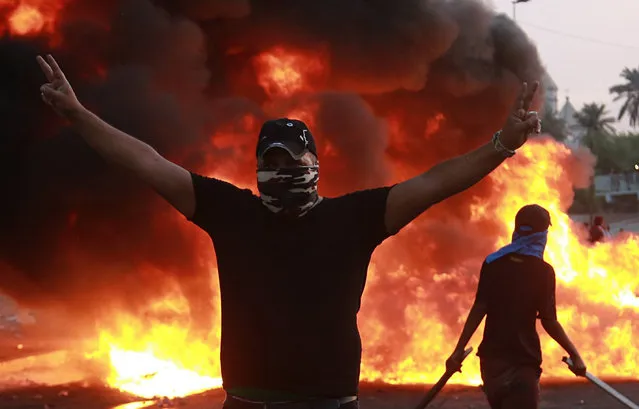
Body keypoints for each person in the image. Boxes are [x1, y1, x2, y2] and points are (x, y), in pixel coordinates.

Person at [36, 54, 541, 409]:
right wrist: (79, 117)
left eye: (291, 161)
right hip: (249, 401)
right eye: (269, 162)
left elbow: (434, 182)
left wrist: (503, 144)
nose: (280, 171)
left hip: (330, 402)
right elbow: (148, 163)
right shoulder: (230, 211)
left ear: (314, 165)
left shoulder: (356, 217)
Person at [446, 204, 587, 409]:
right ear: (542, 235)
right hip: (523, 359)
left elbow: (479, 308)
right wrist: (575, 355)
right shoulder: (543, 271)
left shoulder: (493, 263)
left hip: (492, 362)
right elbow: (549, 321)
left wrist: (457, 351)